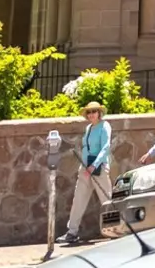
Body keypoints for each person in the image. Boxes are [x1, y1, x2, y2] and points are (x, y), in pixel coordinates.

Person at [61, 101, 111, 245]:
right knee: (78, 199)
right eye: (89, 112)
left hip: (99, 168)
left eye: (94, 111)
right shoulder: (89, 128)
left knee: (106, 200)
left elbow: (106, 147)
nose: (91, 115)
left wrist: (94, 165)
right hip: (85, 168)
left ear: (99, 113)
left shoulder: (105, 126)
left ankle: (115, 229)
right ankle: (72, 232)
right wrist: (85, 167)